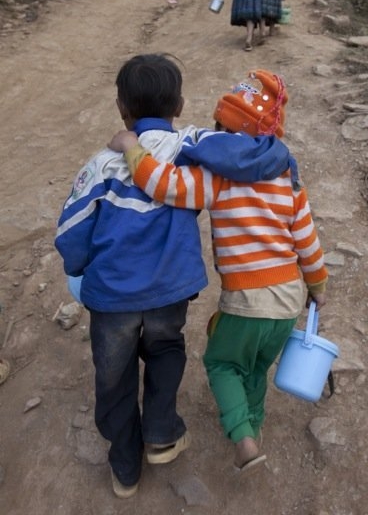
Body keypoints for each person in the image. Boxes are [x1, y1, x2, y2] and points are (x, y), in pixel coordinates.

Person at [55, 54, 296, 497]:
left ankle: (125, 466)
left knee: (114, 373)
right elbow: (248, 149)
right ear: (180, 105)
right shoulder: (193, 144)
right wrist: (279, 151)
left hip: (112, 300)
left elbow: (71, 230)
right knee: (166, 351)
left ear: (120, 109)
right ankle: (161, 432)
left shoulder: (100, 165)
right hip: (170, 291)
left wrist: (79, 268)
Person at [108, 67, 329, 474]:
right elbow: (308, 244)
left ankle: (243, 439)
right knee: (256, 366)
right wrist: (317, 285)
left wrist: (131, 149)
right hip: (288, 301)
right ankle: (255, 424)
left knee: (223, 363)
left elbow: (164, 184)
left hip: (246, 297)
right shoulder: (288, 179)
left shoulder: (218, 178)